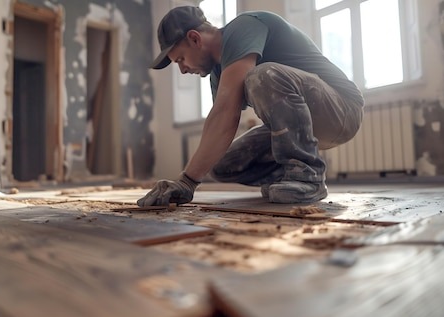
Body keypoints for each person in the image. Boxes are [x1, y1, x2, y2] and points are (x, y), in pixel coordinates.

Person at [137, 6, 364, 207]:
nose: (183, 70)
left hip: (342, 109)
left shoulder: (244, 27)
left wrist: (187, 181)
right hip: (304, 122)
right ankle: (290, 178)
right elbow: (221, 124)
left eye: (180, 60)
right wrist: (188, 180)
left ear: (195, 39)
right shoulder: (218, 74)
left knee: (262, 76)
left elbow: (227, 112)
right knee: (221, 165)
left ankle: (307, 176)